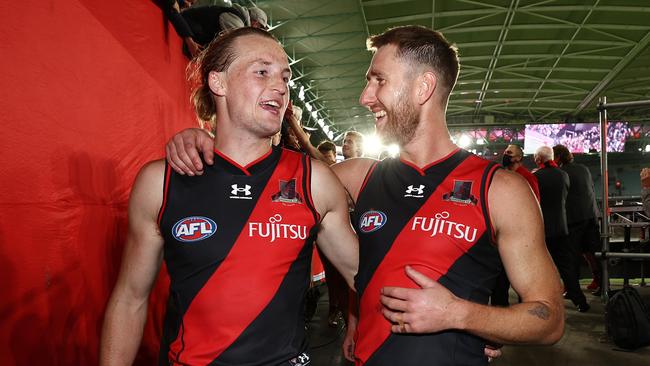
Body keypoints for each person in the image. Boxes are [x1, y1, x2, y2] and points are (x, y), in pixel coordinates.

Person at [165, 25, 564, 365]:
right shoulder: (356, 177)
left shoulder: (499, 188)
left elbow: (549, 320)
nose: (365, 96)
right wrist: (202, 140)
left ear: (423, 87)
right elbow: (262, 182)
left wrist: (466, 315)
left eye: (379, 80)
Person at [100, 27, 359, 366]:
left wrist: (452, 312)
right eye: (262, 71)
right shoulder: (161, 181)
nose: (280, 86)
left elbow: (365, 274)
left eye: (285, 76)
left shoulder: (314, 180)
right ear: (218, 82)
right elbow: (130, 299)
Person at [534, 146, 589, 313]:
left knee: (540, 268)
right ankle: (580, 301)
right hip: (561, 227)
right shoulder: (563, 175)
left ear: (538, 159)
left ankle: (543, 302)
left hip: (542, 230)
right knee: (567, 268)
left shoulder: (535, 177)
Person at [491, 144, 540, 306]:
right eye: (505, 152)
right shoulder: (502, 175)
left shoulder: (527, 177)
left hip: (521, 237)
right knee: (500, 283)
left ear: (519, 157)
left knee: (523, 281)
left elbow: (534, 207)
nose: (505, 155)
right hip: (501, 236)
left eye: (509, 153)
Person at [553, 144, 602, 294]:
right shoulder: (583, 169)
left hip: (574, 219)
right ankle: (600, 282)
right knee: (592, 253)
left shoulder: (560, 173)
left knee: (571, 256)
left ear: (558, 157)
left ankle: (571, 288)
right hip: (591, 215)